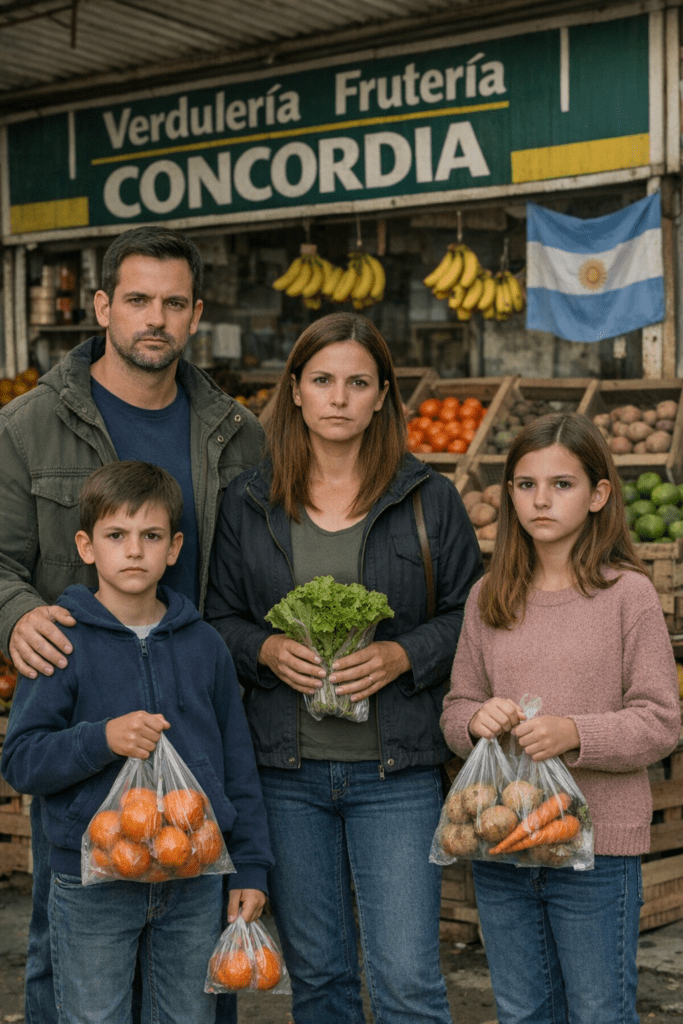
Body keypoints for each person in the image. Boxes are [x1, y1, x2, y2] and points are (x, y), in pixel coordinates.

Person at [0, 226, 262, 1024]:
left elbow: (256, 579)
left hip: (200, 722)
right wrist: (13, 614)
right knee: (79, 978)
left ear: (196, 315)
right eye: (138, 299)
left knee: (191, 987)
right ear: (104, 305)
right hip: (87, 729)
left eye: (174, 303)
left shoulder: (237, 432)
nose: (156, 318)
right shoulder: (28, 425)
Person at [205, 312, 483, 1024]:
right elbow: (219, 620)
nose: (338, 397)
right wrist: (264, 650)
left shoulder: (429, 498)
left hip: (397, 774)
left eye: (357, 383)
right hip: (285, 773)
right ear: (294, 390)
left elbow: (468, 616)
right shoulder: (247, 502)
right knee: (321, 980)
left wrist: (402, 653)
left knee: (407, 984)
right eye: (322, 380)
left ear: (382, 396)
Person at [1, 461, 273, 1024]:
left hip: (194, 870)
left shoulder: (204, 646)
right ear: (86, 545)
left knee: (186, 1016)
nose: (133, 551)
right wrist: (102, 739)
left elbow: (237, 765)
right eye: (116, 536)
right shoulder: (61, 642)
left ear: (174, 549)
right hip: (93, 874)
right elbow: (22, 761)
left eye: (150, 537)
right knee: (94, 1015)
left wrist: (249, 867)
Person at [440, 412, 681, 1024]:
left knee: (599, 1010)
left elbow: (660, 721)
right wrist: (475, 721)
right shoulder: (488, 595)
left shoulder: (628, 595)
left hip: (597, 850)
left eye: (562, 484)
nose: (540, 499)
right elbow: (454, 708)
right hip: (503, 840)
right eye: (524, 484)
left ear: (599, 494)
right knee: (523, 1010)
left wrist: (576, 732)